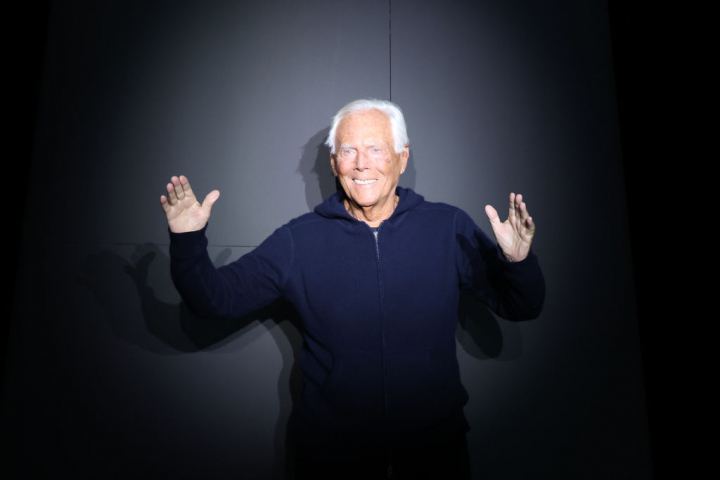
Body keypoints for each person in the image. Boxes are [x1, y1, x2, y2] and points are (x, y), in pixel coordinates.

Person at [160, 99, 545, 479]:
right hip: (331, 457)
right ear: (334, 163)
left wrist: (518, 261)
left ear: (402, 157)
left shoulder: (448, 228)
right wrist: (187, 240)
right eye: (348, 151)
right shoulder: (298, 241)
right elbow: (215, 300)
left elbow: (522, 306)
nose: (362, 163)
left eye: (376, 149)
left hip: (435, 453)